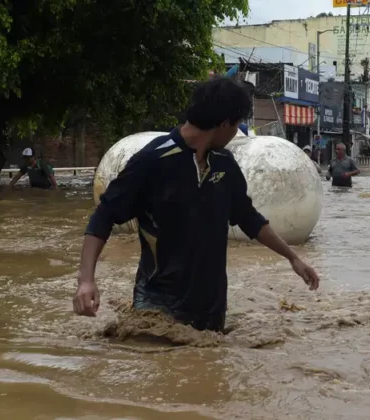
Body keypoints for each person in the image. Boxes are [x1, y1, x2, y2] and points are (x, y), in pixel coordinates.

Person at [72, 77, 320, 332]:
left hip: (211, 307)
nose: (237, 132)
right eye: (237, 125)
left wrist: (293, 258)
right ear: (224, 124)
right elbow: (104, 215)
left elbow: (249, 218)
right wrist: (87, 280)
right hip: (157, 304)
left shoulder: (225, 163)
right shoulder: (152, 160)